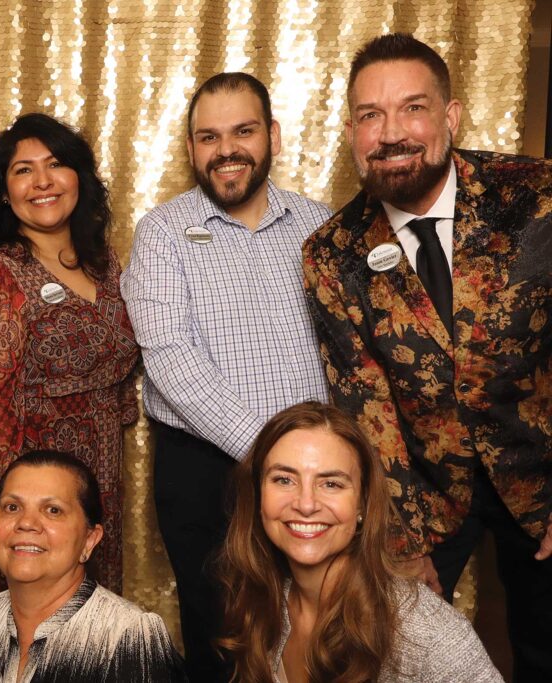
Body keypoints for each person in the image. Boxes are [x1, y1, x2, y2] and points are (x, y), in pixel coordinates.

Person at [302, 32, 552, 681]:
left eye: (412, 108)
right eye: (370, 115)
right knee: (398, 655)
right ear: (351, 132)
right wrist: (402, 541)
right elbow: (365, 402)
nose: (391, 133)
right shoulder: (333, 252)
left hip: (541, 470)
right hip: (426, 491)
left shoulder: (536, 197)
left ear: (450, 115)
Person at [120, 73, 330, 681]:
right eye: (209, 137)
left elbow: (348, 352)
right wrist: (273, 455)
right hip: (205, 472)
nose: (226, 149)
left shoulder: (320, 226)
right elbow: (170, 357)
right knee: (222, 642)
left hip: (317, 470)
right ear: (191, 148)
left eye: (243, 131)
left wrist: (311, 463)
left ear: (273, 137)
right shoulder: (162, 231)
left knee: (318, 631)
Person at [0, 113, 139, 599]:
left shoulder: (105, 264)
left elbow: (121, 367)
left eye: (56, 164)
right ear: (4, 192)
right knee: (34, 622)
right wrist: (23, 511)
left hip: (99, 486)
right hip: (34, 498)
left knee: (92, 627)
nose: (42, 181)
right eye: (24, 170)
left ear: (79, 177)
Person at [219, 401, 502, 683]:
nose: (305, 504)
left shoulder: (427, 634)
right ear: (258, 495)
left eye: (331, 484)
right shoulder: (266, 597)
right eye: (284, 480)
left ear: (362, 504)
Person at [0, 450, 187, 682]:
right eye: (12, 507)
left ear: (89, 540)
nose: (26, 523)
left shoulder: (128, 635)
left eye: (53, 510)